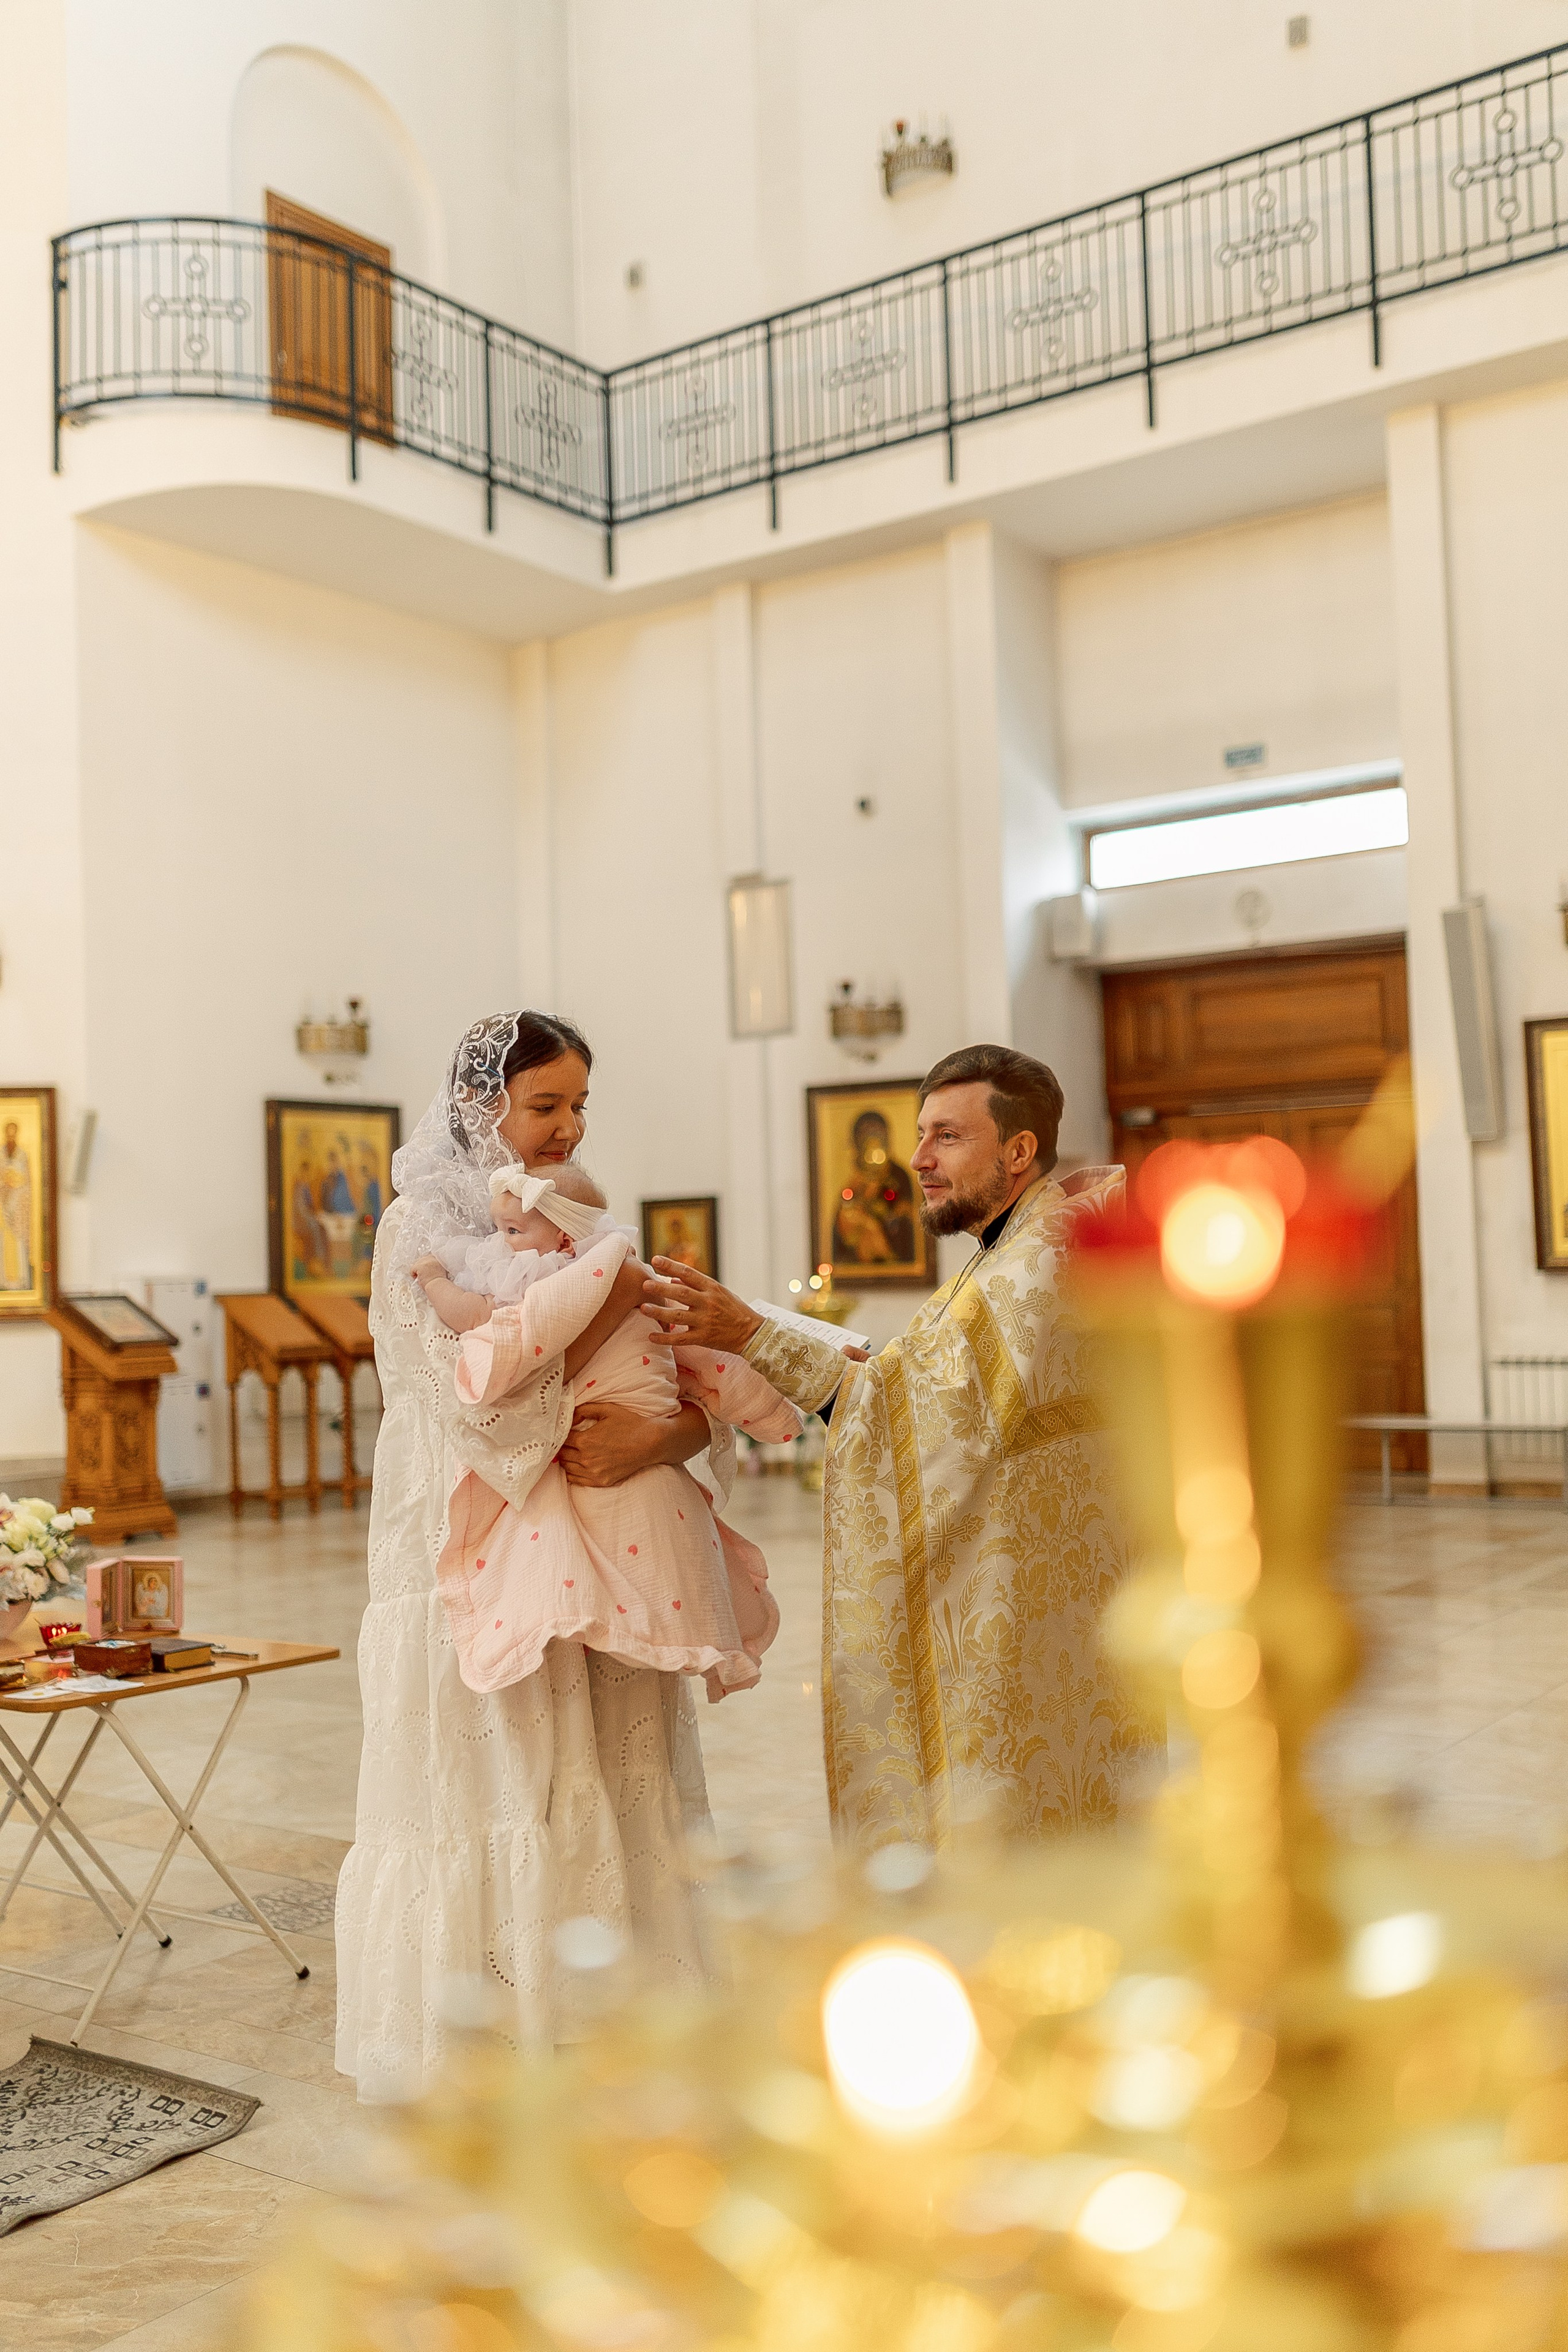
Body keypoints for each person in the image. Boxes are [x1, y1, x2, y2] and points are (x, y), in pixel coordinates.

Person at [335, 1011, 729, 2102]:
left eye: (579, 1106)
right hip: (462, 1516)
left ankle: (614, 2007)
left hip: (588, 1533)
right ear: (482, 1104)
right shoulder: (415, 1220)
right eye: (546, 1105)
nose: (568, 1127)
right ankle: (494, 2025)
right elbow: (469, 1398)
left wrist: (667, 1421)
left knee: (600, 1757)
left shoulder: (567, 1210)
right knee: (499, 1763)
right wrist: (592, 1348)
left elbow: (649, 1371)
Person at [644, 1042, 1147, 1853]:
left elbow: (911, 1412)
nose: (917, 1160)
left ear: (1018, 1151)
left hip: (1027, 1631)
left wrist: (749, 1333)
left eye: (947, 1137)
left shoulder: (1035, 1267)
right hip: (1053, 1622)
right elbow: (930, 1390)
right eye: (920, 1135)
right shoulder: (1031, 1248)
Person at [410, 1163, 797, 1702]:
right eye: (548, 1107)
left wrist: (433, 1281)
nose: (500, 1244)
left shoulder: (561, 1280)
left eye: (514, 1232)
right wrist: (771, 1405)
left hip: (618, 1461)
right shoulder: (621, 1272)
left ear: (564, 1239)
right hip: (617, 1475)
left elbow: (501, 1345)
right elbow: (710, 1363)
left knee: (609, 1631)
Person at [832, 1108, 917, 1267]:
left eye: (877, 1135)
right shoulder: (856, 1179)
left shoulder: (899, 1175)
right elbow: (841, 1227)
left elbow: (907, 1215)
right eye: (866, 1136)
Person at [0, 1121, 31, 1291]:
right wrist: (6, 1182)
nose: (11, 1137)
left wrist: (17, 1185)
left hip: (18, 1205)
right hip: (3, 1204)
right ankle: (4, 1281)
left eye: (14, 1133)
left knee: (17, 1242)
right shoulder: (0, 1154)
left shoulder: (23, 1155)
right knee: (4, 1241)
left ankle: (19, 1282)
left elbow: (27, 1182)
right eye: (8, 1133)